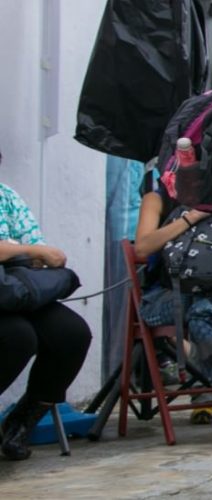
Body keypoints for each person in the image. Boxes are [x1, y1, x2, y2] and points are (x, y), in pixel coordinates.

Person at [135, 169, 212, 449]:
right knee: (207, 310)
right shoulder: (158, 195)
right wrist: (190, 217)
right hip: (167, 297)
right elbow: (142, 247)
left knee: (207, 313)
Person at [0, 179, 92, 461]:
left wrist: (33, 253)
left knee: (72, 334)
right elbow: (34, 251)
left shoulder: (6, 195)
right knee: (18, 338)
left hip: (15, 288)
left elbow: (35, 246)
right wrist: (29, 252)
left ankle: (20, 423)